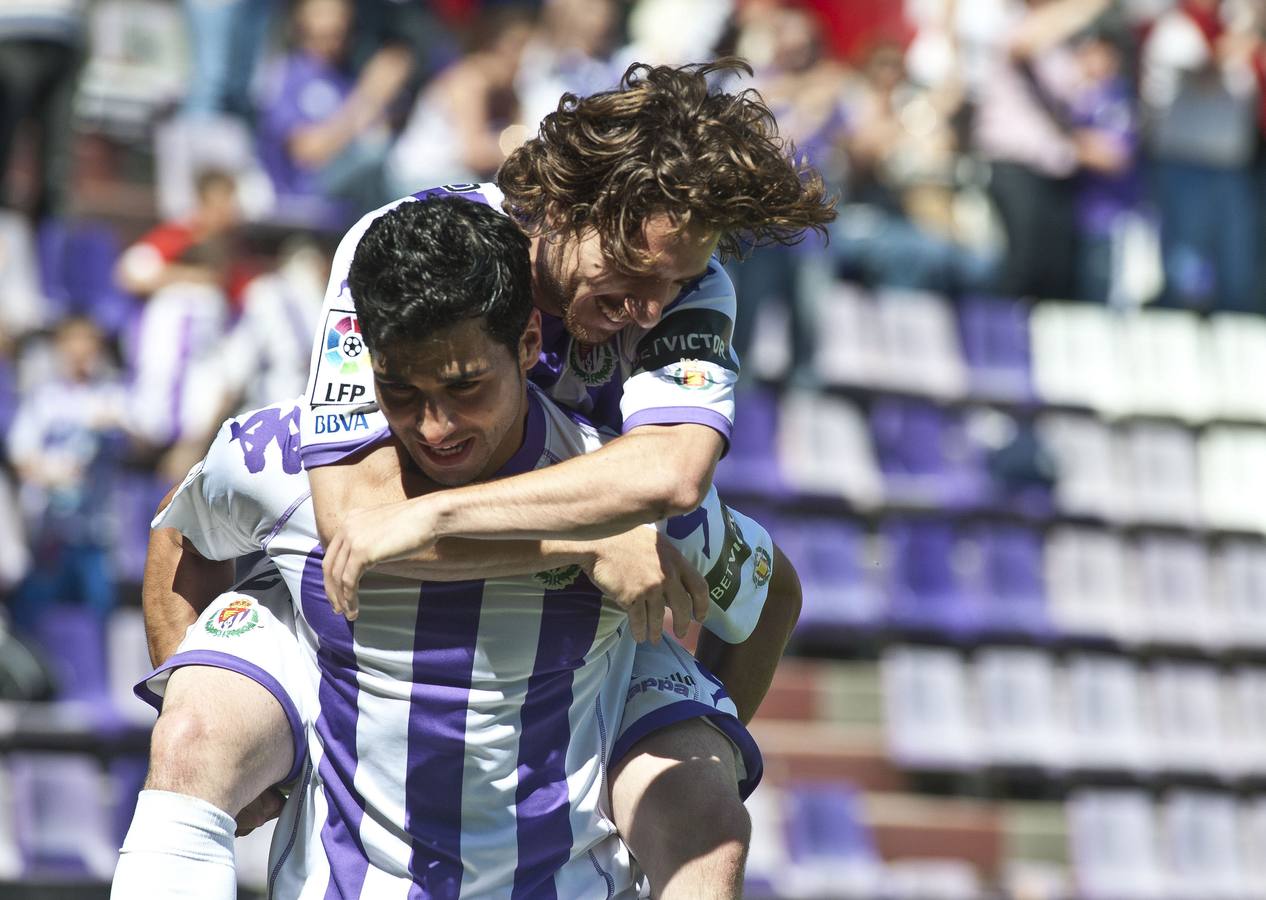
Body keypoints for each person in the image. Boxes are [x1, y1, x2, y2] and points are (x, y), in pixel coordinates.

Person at [113, 196, 772, 898]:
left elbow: (771, 592)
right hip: (342, 869)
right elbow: (179, 530)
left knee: (704, 810)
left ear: (526, 345)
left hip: (555, 863)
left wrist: (690, 723)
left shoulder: (616, 491)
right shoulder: (287, 457)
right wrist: (196, 713)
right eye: (400, 392)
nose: (434, 427)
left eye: (464, 388)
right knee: (188, 739)